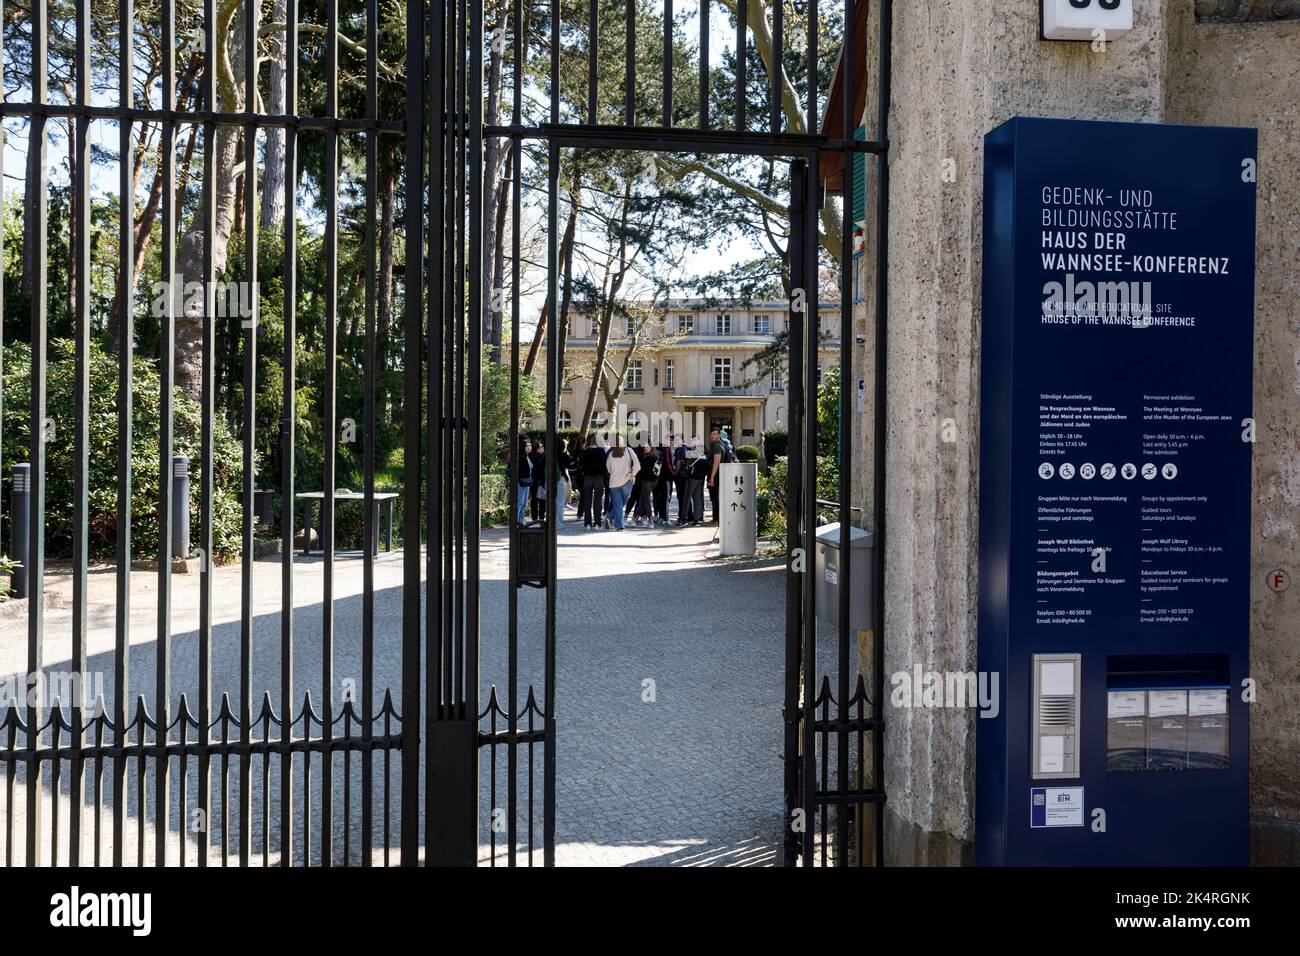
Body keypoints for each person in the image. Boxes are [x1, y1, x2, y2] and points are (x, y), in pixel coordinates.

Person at [605, 438, 639, 531]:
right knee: (621, 503)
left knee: (618, 504)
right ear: (622, 442)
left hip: (614, 483)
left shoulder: (611, 454)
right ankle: (618, 525)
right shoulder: (629, 450)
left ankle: (610, 517)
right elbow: (637, 464)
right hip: (627, 481)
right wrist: (633, 473)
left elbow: (609, 469)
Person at [578, 435, 608, 528]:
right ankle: (597, 524)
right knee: (598, 501)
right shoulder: (601, 451)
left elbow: (581, 465)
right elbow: (604, 466)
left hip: (587, 478)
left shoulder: (585, 451)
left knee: (587, 501)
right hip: (599, 478)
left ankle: (587, 524)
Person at [634, 444, 660, 527]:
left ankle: (650, 521)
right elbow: (657, 472)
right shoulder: (657, 456)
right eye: (644, 447)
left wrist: (636, 477)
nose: (645, 448)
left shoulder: (649, 458)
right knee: (642, 500)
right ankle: (635, 518)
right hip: (654, 482)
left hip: (647, 482)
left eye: (647, 447)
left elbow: (642, 471)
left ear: (651, 447)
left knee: (647, 501)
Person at [686, 439, 709, 526]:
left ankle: (695, 517)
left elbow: (689, 464)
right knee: (698, 497)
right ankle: (699, 516)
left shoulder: (695, 452)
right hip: (701, 478)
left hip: (694, 478)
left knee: (694, 497)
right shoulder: (704, 452)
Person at [554, 437, 574, 529]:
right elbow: (571, 466)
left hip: (551, 479)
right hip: (561, 479)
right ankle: (559, 524)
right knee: (560, 502)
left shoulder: (551, 454)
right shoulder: (563, 455)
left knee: (553, 502)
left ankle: (553, 523)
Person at [668, 435, 689, 525]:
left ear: (682, 440)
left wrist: (675, 472)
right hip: (684, 476)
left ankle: (683, 518)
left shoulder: (681, 449)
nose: (675, 441)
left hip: (681, 476)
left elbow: (679, 462)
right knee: (684, 497)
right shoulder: (685, 448)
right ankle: (687, 517)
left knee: (682, 498)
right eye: (675, 440)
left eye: (678, 440)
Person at [706, 427, 725, 524]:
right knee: (715, 497)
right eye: (711, 434)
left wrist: (712, 477)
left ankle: (716, 519)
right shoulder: (720, 444)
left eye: (714, 434)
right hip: (717, 475)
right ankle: (716, 518)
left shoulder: (717, 446)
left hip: (716, 475)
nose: (712, 436)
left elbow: (716, 462)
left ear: (719, 435)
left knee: (715, 497)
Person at [514, 437, 535, 524]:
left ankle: (521, 520)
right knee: (519, 502)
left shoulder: (529, 457)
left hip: (527, 482)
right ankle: (515, 521)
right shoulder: (521, 457)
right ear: (523, 447)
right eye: (527, 446)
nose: (529, 447)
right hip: (521, 482)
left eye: (530, 445)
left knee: (524, 503)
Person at [653, 435, 673, 525]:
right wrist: (674, 472)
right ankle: (665, 518)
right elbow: (668, 463)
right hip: (666, 477)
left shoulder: (657, 448)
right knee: (666, 498)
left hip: (658, 477)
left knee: (659, 497)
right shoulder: (666, 449)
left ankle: (661, 516)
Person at [529, 438, 546, 521]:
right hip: (540, 480)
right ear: (538, 447)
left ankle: (534, 516)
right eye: (541, 446)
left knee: (534, 499)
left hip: (532, 480)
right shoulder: (541, 456)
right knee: (542, 498)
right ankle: (541, 516)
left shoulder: (530, 456)